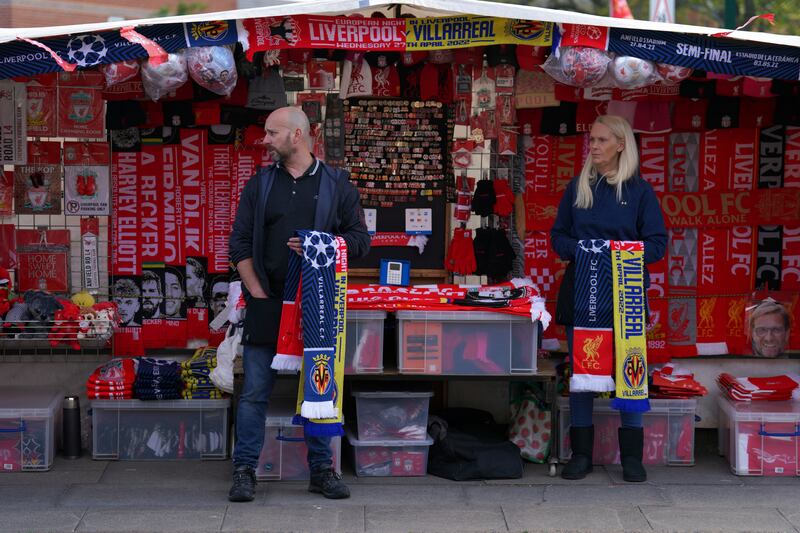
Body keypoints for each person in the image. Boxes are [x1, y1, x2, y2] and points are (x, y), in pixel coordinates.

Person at [228, 106, 370, 502]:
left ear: (297, 135)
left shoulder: (337, 185)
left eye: (272, 133)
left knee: (319, 389)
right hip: (267, 301)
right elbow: (238, 243)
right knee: (255, 391)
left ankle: (322, 471)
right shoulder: (259, 185)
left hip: (318, 304)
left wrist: (320, 244)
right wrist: (255, 291)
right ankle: (244, 471)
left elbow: (360, 240)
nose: (266, 139)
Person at [551, 115, 667, 483]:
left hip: (626, 292)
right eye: (592, 140)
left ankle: (632, 458)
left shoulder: (639, 192)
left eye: (601, 140)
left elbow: (658, 244)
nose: (594, 146)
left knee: (630, 368)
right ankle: (581, 454)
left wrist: (620, 252)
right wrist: (586, 249)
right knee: (583, 371)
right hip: (583, 290)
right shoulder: (578, 187)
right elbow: (558, 238)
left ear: (621, 144)